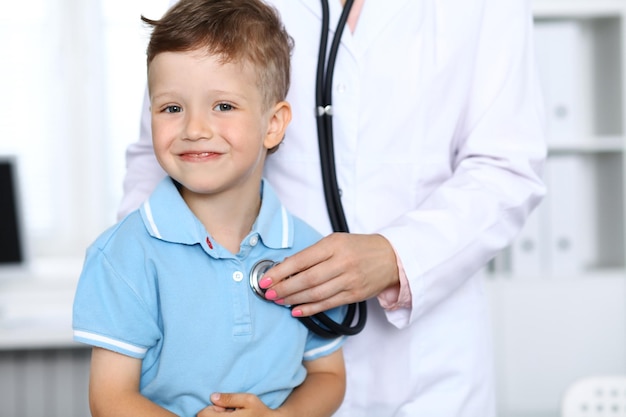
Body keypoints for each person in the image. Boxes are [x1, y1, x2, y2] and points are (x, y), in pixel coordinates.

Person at [120, 0, 547, 416]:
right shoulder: (127, 260)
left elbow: (505, 165)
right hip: (257, 355)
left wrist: (397, 255)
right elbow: (164, 143)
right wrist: (139, 275)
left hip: (428, 365)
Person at [72, 1, 348, 416]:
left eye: (223, 106)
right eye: (172, 108)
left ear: (273, 124)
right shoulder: (124, 257)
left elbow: (329, 376)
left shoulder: (308, 253)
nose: (194, 129)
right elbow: (110, 399)